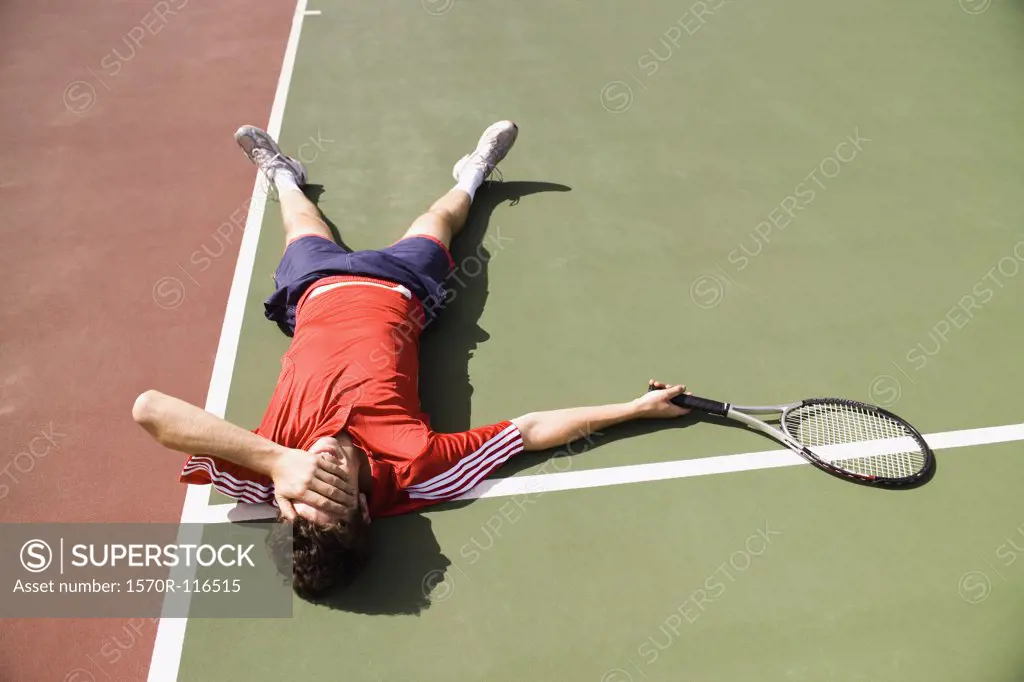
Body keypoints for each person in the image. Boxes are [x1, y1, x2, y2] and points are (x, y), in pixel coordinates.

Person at [132, 121, 690, 598]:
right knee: (441, 220)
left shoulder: (268, 469)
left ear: (284, 506)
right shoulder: (420, 469)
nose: (319, 471)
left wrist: (278, 463)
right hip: (404, 290)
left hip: (313, 290)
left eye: (306, 493)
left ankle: (282, 174)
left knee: (302, 224)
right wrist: (635, 409)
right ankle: (474, 171)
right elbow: (532, 430)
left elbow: (150, 409)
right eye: (334, 491)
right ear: (366, 510)